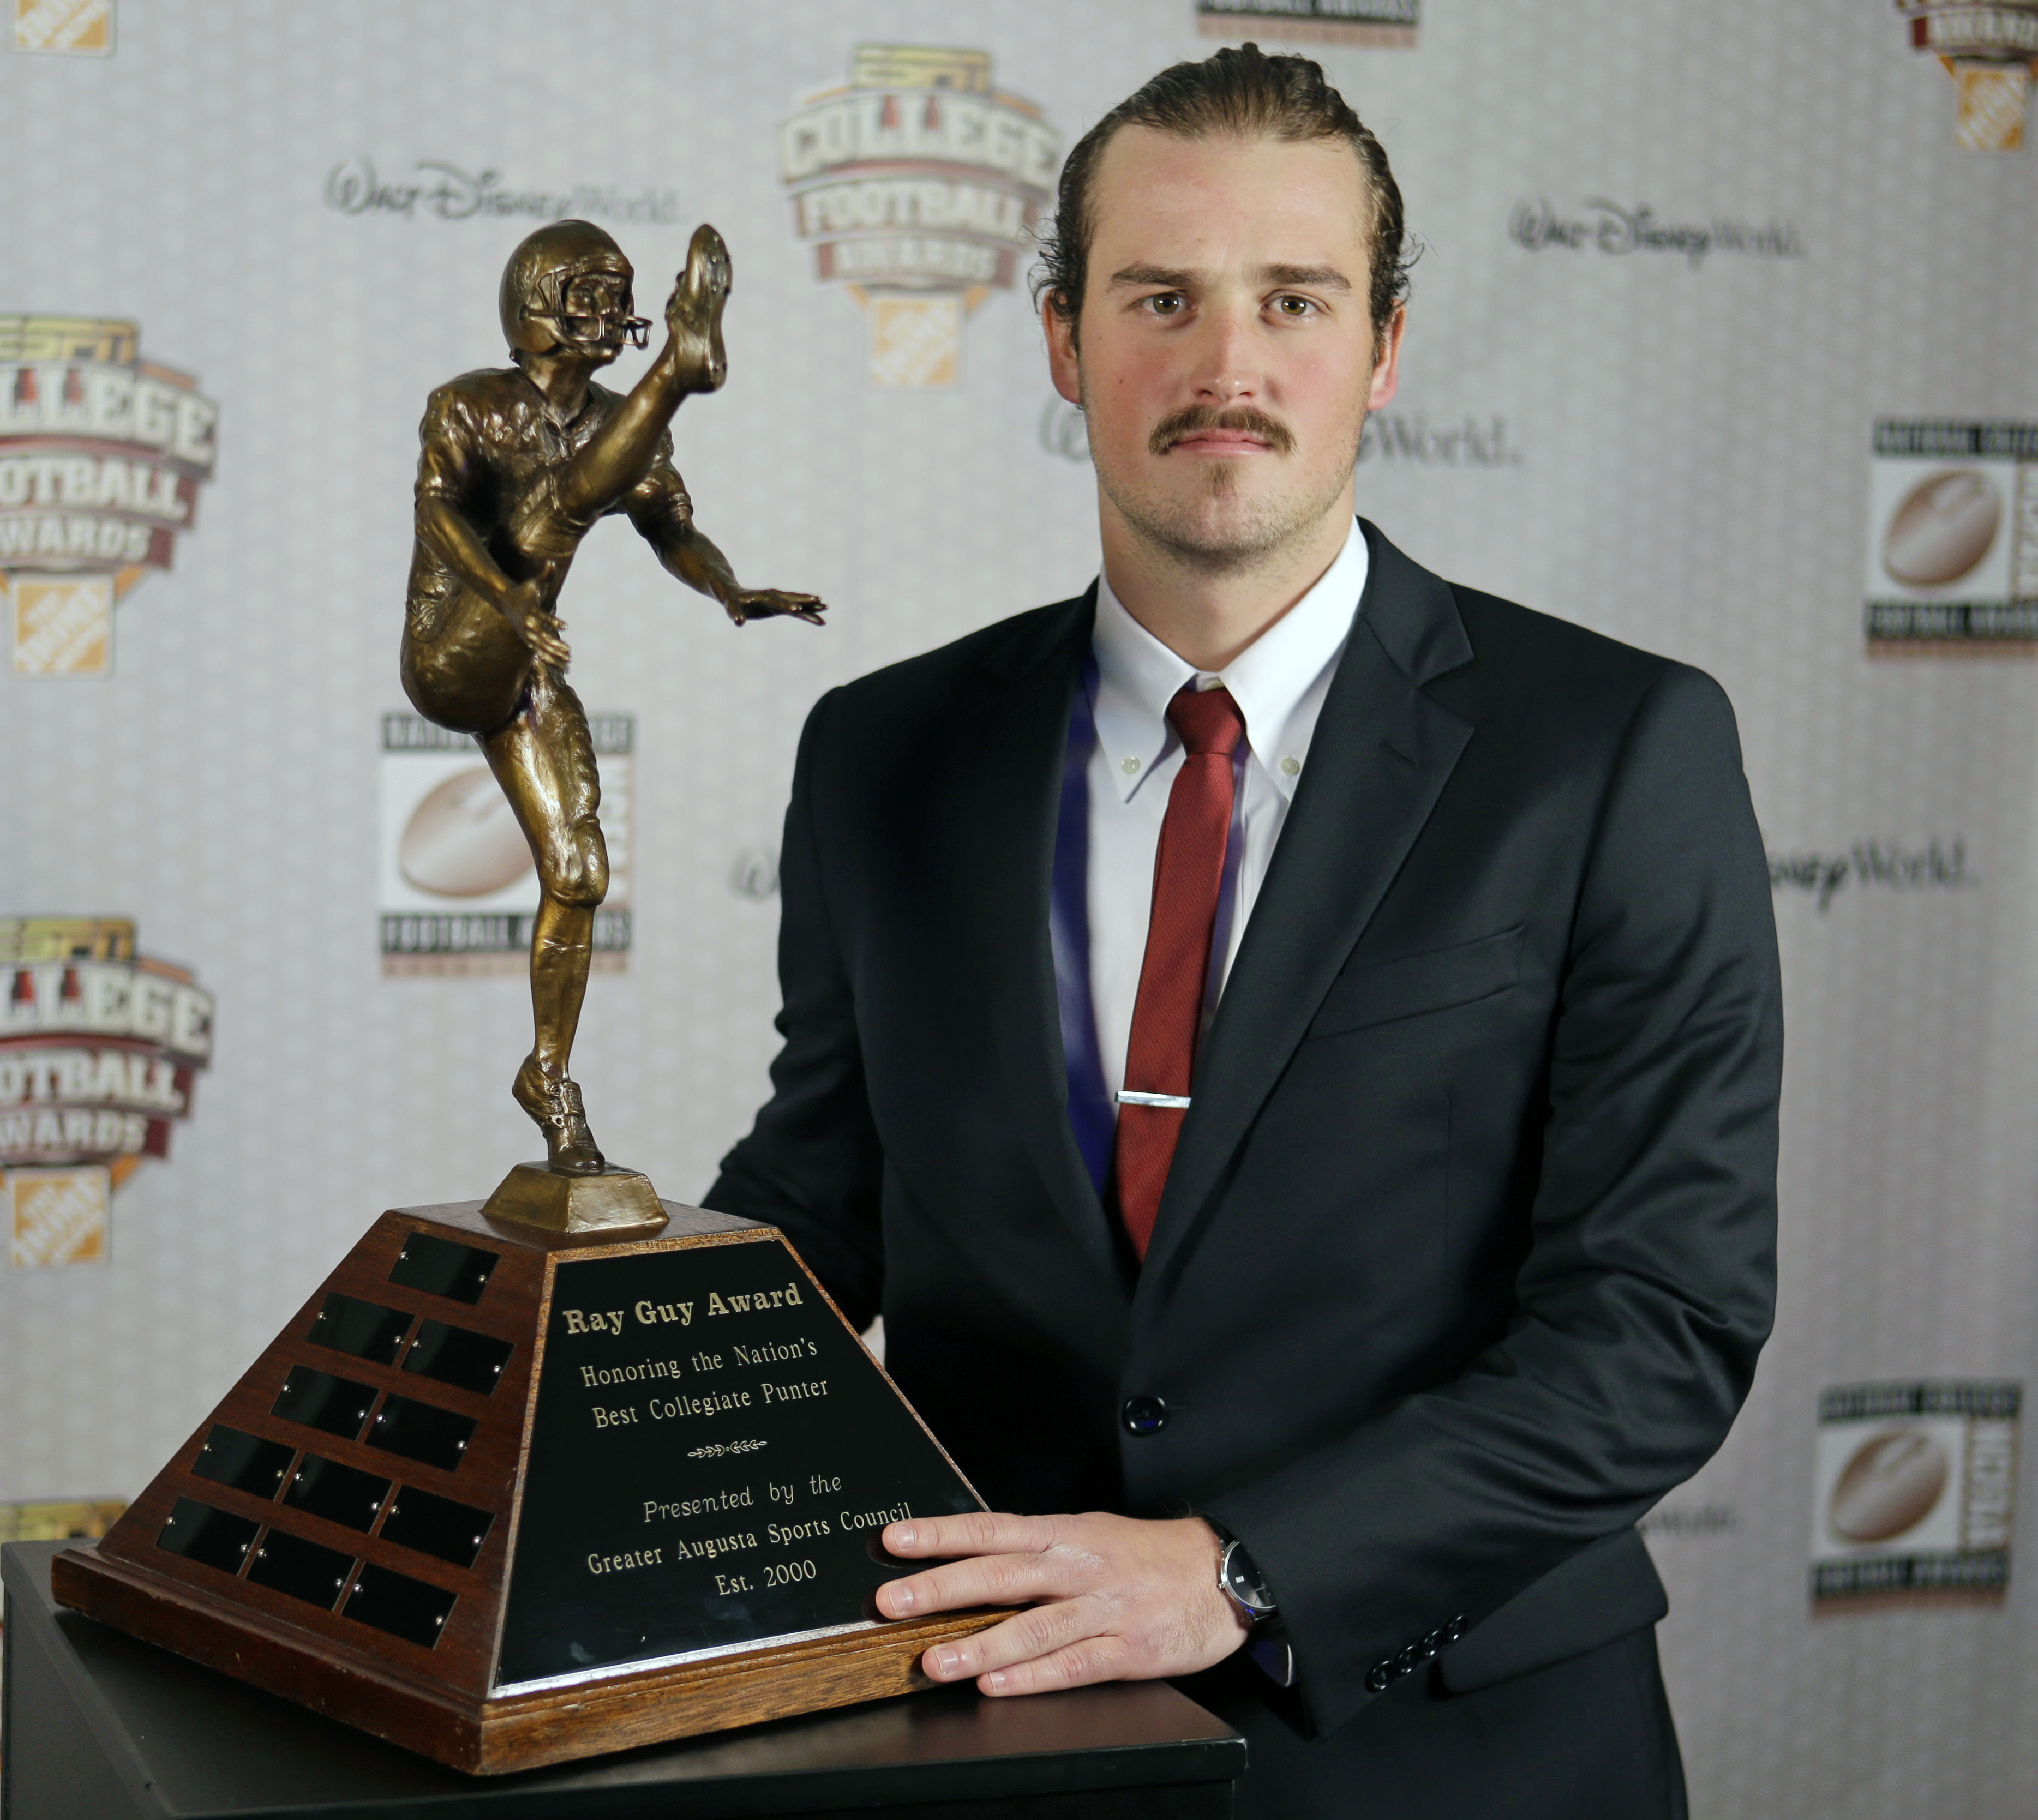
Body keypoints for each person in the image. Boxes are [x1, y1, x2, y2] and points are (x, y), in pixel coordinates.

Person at [707, 46, 1777, 1820]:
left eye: (1294, 298)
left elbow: (1657, 1318)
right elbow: (828, 1194)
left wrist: (1233, 1568)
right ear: (1063, 342)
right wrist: (578, 1352)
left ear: (1384, 347)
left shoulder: (1613, 750)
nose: (1226, 366)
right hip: (987, 1729)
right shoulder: (882, 753)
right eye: (1160, 297)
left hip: (1459, 1745)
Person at [403, 220, 822, 1174]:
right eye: (588, 294)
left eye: (616, 295)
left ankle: (548, 1075)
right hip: (453, 646)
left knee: (580, 869)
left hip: (527, 665)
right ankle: (682, 367)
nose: (605, 312)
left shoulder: (612, 425)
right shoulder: (468, 406)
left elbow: (673, 526)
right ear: (536, 302)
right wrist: (508, 598)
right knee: (558, 505)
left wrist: (729, 587)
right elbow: (435, 512)